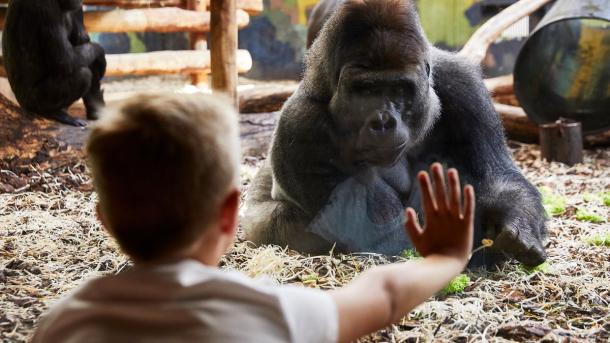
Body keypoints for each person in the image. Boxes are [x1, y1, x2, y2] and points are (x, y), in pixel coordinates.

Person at [32, 93, 475, 343]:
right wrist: (446, 258)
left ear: (103, 220)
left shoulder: (64, 323)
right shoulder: (267, 313)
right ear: (229, 214)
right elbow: (383, 295)